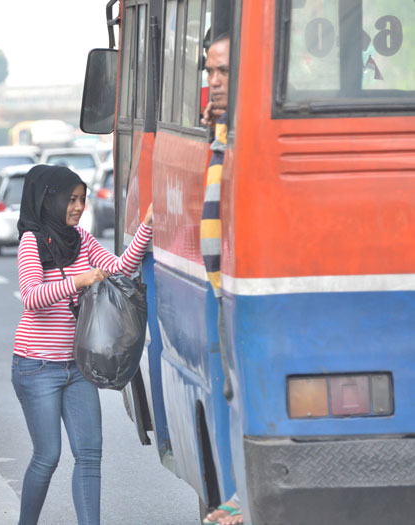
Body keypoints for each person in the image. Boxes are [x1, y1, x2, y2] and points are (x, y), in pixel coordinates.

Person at [13, 164, 153, 524]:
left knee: (90, 455)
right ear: (50, 200)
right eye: (70, 200)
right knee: (48, 456)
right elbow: (31, 297)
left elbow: (121, 267)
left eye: (82, 199)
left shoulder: (84, 240)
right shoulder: (32, 241)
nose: (78, 207)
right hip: (36, 365)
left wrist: (147, 227)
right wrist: (78, 282)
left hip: (77, 367)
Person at [199, 34, 245, 525]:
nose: (212, 82)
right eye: (209, 72)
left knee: (243, 385)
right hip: (222, 288)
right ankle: (239, 490)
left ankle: (246, 495)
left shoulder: (252, 128)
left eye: (224, 72)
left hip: (242, 287)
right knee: (231, 386)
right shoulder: (223, 130)